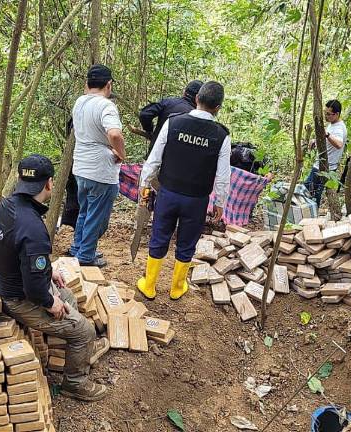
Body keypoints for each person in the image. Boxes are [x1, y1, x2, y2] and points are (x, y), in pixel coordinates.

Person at [0, 154, 110, 402]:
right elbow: (34, 287)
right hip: (18, 297)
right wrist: (48, 301)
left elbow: (16, 252)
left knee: (68, 297)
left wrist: (47, 271)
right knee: (85, 330)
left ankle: (73, 352)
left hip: (8, 281)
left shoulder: (6, 206)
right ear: (50, 184)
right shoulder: (33, 228)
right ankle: (74, 383)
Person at [137, 81, 231, 300]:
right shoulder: (221, 136)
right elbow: (223, 175)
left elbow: (154, 159)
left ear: (196, 99)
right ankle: (177, 287)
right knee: (187, 241)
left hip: (168, 193)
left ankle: (149, 284)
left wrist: (144, 184)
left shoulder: (173, 123)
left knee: (159, 235)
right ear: (218, 107)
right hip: (197, 200)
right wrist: (219, 203)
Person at [67, 64, 126, 267]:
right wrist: (121, 152)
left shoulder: (79, 102)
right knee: (96, 216)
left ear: (87, 84)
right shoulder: (106, 105)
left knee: (85, 210)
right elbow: (115, 133)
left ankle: (78, 247)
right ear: (108, 84)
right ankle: (86, 256)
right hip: (100, 171)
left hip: (81, 167)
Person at [138, 80, 204, 155]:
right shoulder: (198, 116)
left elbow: (145, 114)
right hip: (177, 160)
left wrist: (149, 130)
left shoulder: (168, 103)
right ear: (199, 98)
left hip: (155, 154)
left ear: (184, 92)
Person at [304, 100, 348, 208]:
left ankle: (311, 217)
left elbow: (339, 144)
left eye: (328, 114)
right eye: (325, 113)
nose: (326, 116)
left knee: (308, 192)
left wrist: (327, 134)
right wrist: (316, 140)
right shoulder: (332, 124)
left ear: (337, 114)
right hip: (321, 164)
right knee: (312, 193)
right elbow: (327, 140)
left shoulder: (339, 128)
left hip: (323, 166)